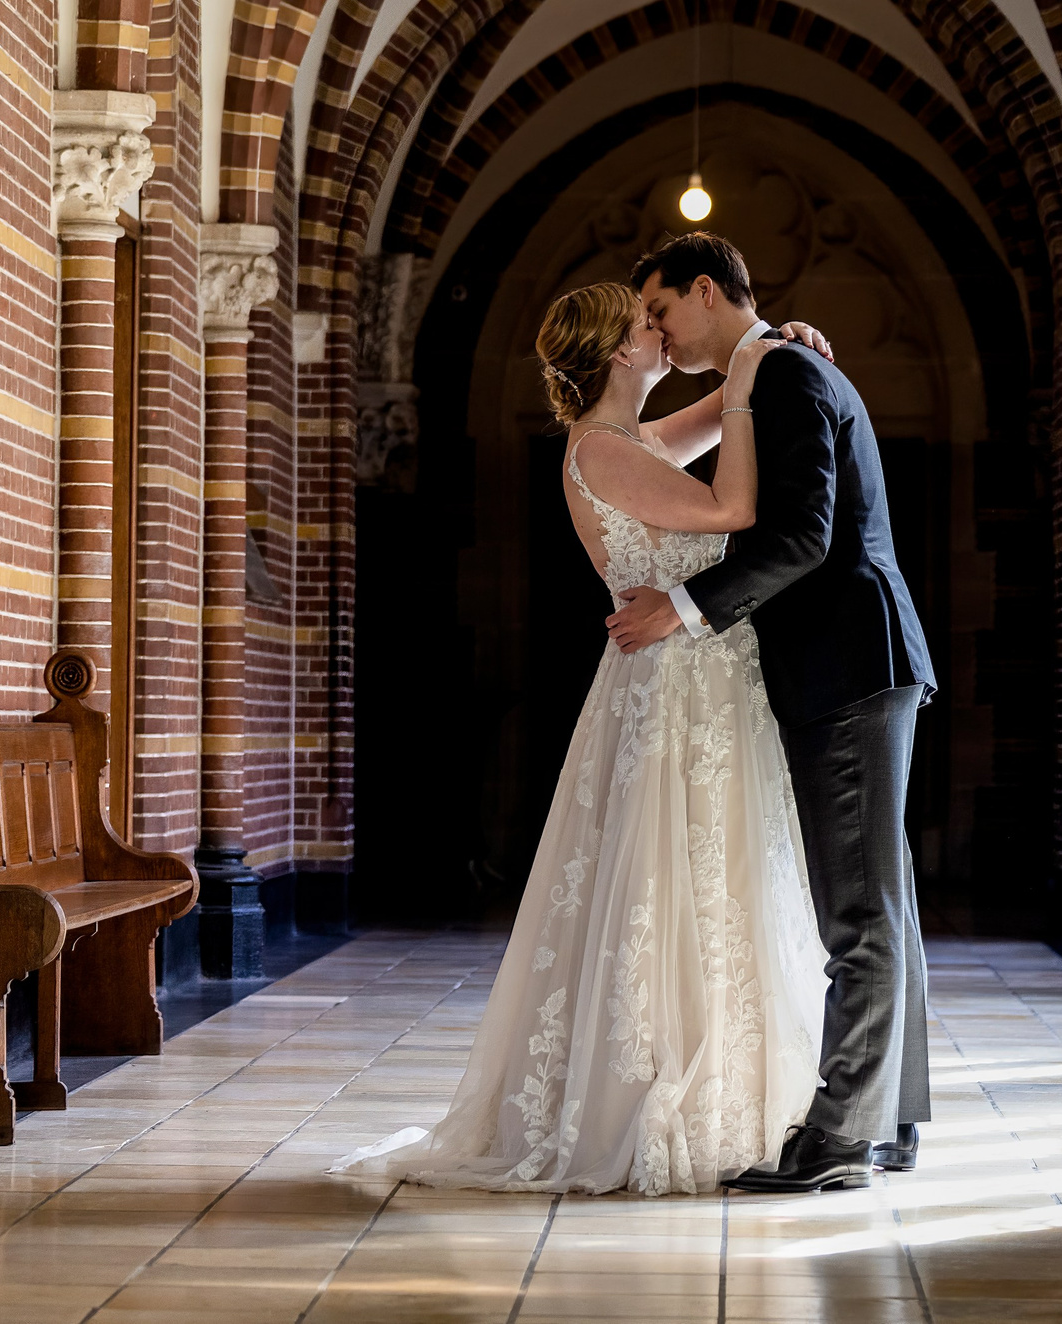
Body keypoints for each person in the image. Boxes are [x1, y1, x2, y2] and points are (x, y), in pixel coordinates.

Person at [334, 281, 832, 1195]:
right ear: (617, 352)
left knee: (715, 877)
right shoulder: (603, 451)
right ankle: (649, 1096)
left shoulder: (633, 439)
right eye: (648, 325)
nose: (663, 331)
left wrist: (768, 349)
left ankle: (735, 1084)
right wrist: (756, 367)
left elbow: (724, 412)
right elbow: (731, 512)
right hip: (674, 688)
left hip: (703, 682)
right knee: (667, 879)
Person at [606, 231, 936, 1194]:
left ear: (706, 291)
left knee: (860, 909)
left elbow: (802, 535)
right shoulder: (773, 368)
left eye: (663, 310)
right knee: (884, 900)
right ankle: (890, 1121)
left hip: (849, 662)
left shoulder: (786, 376)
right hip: (859, 660)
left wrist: (683, 608)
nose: (661, 336)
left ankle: (838, 1138)